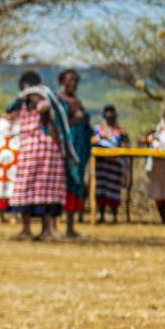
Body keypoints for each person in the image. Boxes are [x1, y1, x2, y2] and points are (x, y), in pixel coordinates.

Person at [5, 71, 67, 241]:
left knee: (46, 192)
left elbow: (47, 119)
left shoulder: (46, 105)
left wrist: (42, 106)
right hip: (27, 155)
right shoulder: (21, 107)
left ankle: (47, 230)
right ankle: (26, 230)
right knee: (24, 190)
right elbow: (9, 113)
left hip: (47, 156)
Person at [54, 69, 92, 238]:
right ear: (62, 81)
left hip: (79, 150)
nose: (73, 84)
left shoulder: (77, 102)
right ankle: (53, 226)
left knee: (75, 185)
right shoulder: (57, 101)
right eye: (69, 80)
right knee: (60, 185)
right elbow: (56, 125)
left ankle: (70, 227)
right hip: (63, 151)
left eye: (76, 81)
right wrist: (73, 121)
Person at [92, 105, 130, 224]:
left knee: (114, 190)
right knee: (101, 190)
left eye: (112, 116)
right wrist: (100, 138)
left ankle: (114, 216)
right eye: (108, 116)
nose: (110, 118)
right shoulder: (98, 129)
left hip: (116, 165)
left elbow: (127, 147)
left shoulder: (121, 131)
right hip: (101, 165)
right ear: (104, 116)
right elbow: (92, 142)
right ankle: (101, 215)